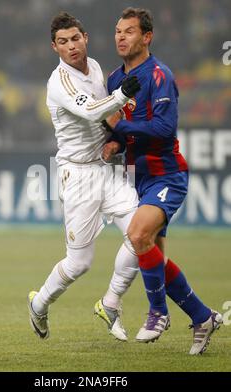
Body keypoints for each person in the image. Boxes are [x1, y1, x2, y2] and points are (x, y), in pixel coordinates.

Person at [102, 7, 223, 355]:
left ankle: (158, 313)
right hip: (139, 179)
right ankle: (203, 318)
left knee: (138, 234)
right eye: (117, 31)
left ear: (147, 37)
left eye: (129, 31)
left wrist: (118, 127)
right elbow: (122, 129)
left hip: (167, 174)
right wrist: (115, 143)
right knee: (153, 258)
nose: (121, 37)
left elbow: (164, 128)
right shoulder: (113, 80)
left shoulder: (159, 75)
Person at [27, 12, 141, 341]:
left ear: (86, 38)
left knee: (142, 234)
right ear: (55, 47)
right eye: (63, 42)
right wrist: (122, 95)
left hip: (106, 169)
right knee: (79, 264)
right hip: (77, 175)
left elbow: (104, 118)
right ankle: (40, 304)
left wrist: (115, 140)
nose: (71, 46)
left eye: (75, 38)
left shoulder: (94, 68)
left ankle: (110, 303)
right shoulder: (59, 82)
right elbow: (93, 109)